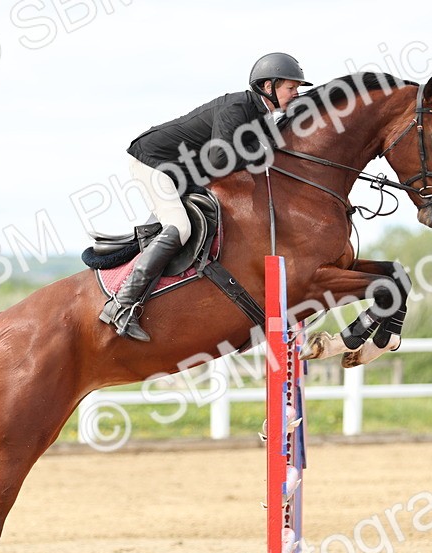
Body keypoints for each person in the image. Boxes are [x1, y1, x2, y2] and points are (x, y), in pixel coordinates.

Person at [100, 52, 312, 341]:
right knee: (181, 227)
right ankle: (121, 305)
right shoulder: (237, 107)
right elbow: (219, 159)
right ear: (267, 87)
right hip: (154, 162)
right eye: (291, 88)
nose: (296, 93)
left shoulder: (260, 116)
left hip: (185, 172)